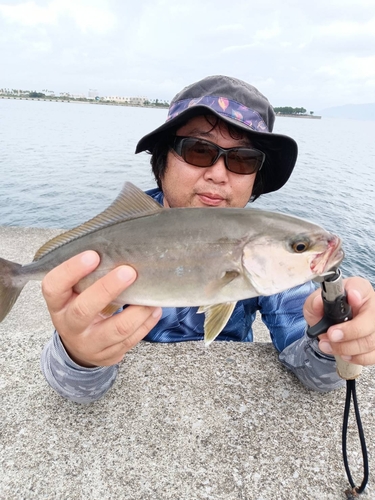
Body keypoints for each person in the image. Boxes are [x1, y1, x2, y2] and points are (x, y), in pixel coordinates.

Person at [40, 75, 375, 404]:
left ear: (256, 177)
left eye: (243, 160)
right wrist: (80, 356)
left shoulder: (272, 253)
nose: (218, 174)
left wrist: (338, 339)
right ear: (163, 158)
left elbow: (313, 373)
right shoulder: (115, 236)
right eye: (199, 150)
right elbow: (74, 388)